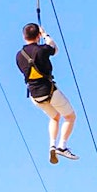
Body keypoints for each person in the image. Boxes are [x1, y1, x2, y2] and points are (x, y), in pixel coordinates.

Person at [16, 22, 79, 164]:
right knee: (70, 117)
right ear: (38, 35)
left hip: (34, 95)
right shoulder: (42, 50)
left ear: (24, 36)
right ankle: (62, 146)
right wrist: (46, 35)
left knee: (55, 117)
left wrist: (40, 37)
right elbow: (55, 49)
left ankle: (52, 145)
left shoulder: (19, 56)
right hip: (49, 91)